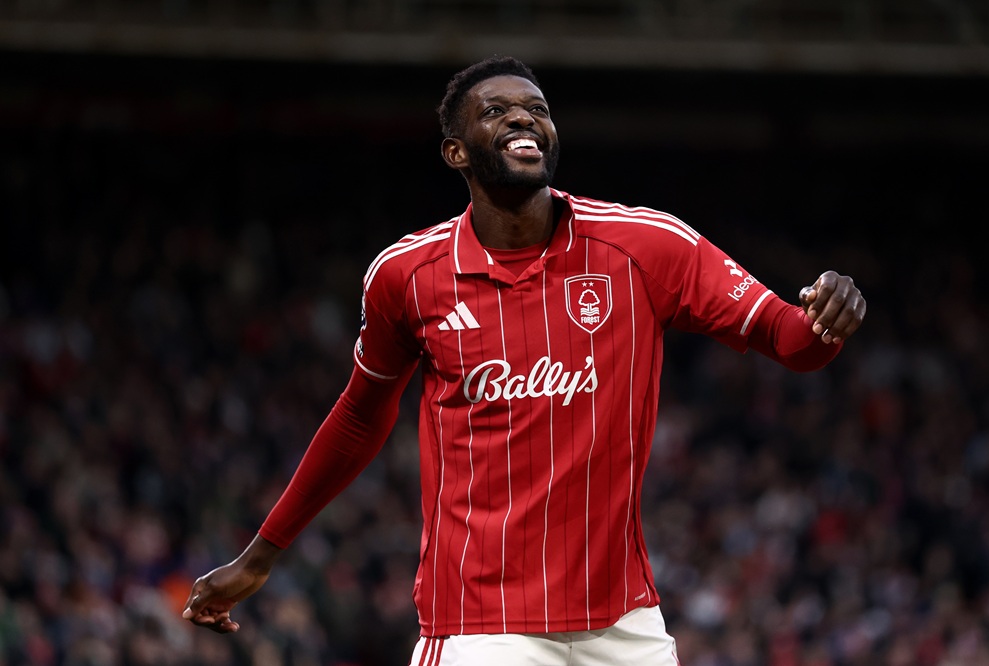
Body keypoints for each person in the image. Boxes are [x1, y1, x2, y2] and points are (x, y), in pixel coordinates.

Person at [181, 55, 866, 665]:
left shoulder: (645, 246)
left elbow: (789, 341)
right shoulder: (408, 276)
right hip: (483, 625)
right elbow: (361, 417)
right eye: (498, 111)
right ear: (456, 151)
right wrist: (262, 554)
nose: (524, 119)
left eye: (537, 109)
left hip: (623, 620)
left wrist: (826, 318)